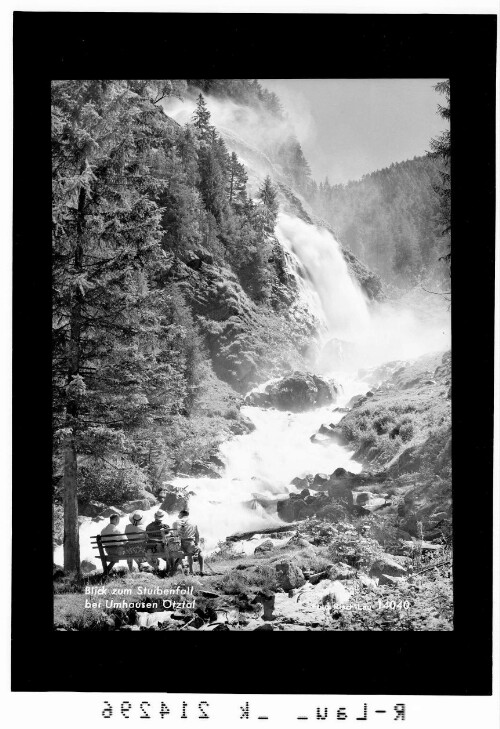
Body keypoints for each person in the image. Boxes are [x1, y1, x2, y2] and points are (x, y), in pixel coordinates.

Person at [172, 509, 204, 576]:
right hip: (190, 545)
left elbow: (174, 534)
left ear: (181, 514)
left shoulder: (175, 523)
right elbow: (197, 536)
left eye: (179, 514)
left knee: (189, 552)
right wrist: (196, 544)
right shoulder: (194, 523)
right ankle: (201, 570)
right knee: (200, 551)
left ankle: (191, 570)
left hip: (179, 546)